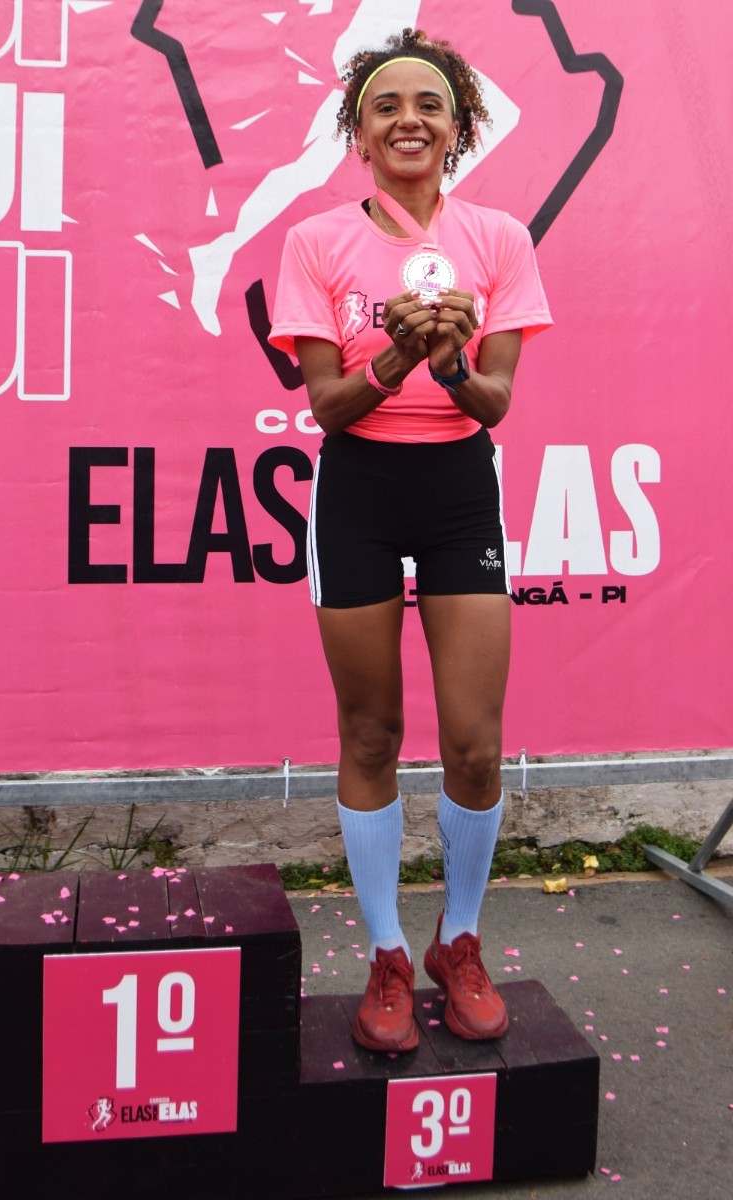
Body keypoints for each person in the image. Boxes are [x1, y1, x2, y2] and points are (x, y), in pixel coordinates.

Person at [269, 28, 552, 1053]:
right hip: (357, 487)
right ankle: (388, 953)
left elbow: (494, 403)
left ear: (456, 127)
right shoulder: (314, 241)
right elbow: (332, 410)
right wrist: (395, 352)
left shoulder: (499, 239)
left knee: (474, 741)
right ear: (358, 128)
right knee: (371, 735)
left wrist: (444, 362)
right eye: (385, 105)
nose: (407, 120)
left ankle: (459, 939)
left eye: (428, 104)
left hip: (454, 491)